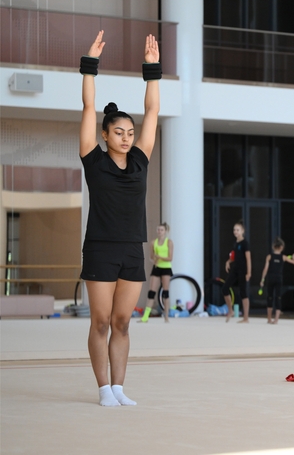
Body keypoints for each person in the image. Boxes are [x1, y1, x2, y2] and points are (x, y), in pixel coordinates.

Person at [79, 31, 160, 406]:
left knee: (123, 322)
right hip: (100, 248)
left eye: (130, 132)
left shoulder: (141, 160)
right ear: (105, 135)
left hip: (131, 249)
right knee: (100, 321)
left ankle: (119, 388)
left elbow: (153, 112)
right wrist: (90, 66)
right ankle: (102, 388)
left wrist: (151, 70)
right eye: (119, 132)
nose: (127, 138)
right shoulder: (93, 160)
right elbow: (88, 108)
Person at [139, 223, 174, 323]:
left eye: (161, 230)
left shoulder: (169, 242)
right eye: (158, 230)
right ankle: (145, 316)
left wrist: (159, 257)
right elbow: (151, 256)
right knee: (151, 292)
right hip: (157, 267)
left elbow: (170, 258)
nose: (159, 232)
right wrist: (154, 259)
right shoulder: (153, 242)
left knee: (165, 292)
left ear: (165, 231)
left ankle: (166, 315)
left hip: (166, 268)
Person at [260, 237, 294, 324]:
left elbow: (265, 269)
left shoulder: (269, 256)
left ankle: (269, 319)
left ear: (273, 247)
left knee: (269, 297)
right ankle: (276, 320)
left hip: (271, 279)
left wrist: (262, 279)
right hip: (279, 279)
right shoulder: (283, 257)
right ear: (281, 247)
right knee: (278, 298)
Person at [222, 220, 251, 323]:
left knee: (243, 292)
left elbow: (248, 258)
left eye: (238, 230)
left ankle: (246, 318)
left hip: (243, 270)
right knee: (225, 288)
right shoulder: (235, 243)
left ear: (242, 231)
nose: (235, 232)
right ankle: (230, 310)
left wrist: (249, 272)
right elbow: (234, 257)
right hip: (235, 269)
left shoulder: (245, 243)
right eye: (234, 230)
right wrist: (228, 262)